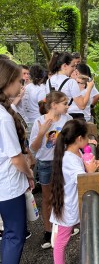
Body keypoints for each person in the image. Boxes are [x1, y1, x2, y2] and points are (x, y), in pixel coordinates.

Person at [50, 119, 99, 264]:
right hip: (67, 206)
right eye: (87, 137)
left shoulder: (76, 151)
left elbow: (84, 169)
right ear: (79, 139)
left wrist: (94, 166)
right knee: (61, 242)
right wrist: (91, 171)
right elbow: (84, 182)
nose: (88, 140)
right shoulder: (69, 160)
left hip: (74, 202)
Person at [0, 58, 35, 264]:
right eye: (18, 80)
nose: (21, 85)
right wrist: (30, 174)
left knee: (9, 234)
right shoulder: (4, 117)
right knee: (16, 235)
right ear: (6, 81)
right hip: (8, 185)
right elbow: (16, 159)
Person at [29, 91, 73, 249]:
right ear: (54, 105)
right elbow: (33, 148)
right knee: (47, 198)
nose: (67, 106)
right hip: (46, 163)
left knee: (64, 194)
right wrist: (41, 133)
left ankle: (63, 227)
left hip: (63, 161)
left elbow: (73, 140)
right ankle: (48, 232)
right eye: (64, 103)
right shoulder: (39, 121)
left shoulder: (68, 119)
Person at [46, 52, 94, 120]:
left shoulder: (49, 81)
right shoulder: (71, 82)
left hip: (54, 119)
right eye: (72, 66)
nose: (74, 69)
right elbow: (82, 106)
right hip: (68, 119)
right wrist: (89, 88)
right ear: (65, 66)